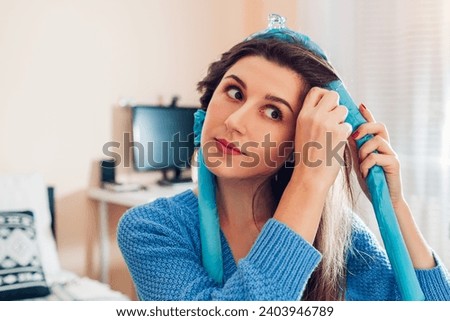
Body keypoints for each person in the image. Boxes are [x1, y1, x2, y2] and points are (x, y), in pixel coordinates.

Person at [117, 15, 450, 301]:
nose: (235, 121)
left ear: (300, 141)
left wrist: (393, 205)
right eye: (235, 93)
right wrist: (308, 181)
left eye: (273, 112)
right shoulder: (151, 229)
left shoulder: (340, 234)